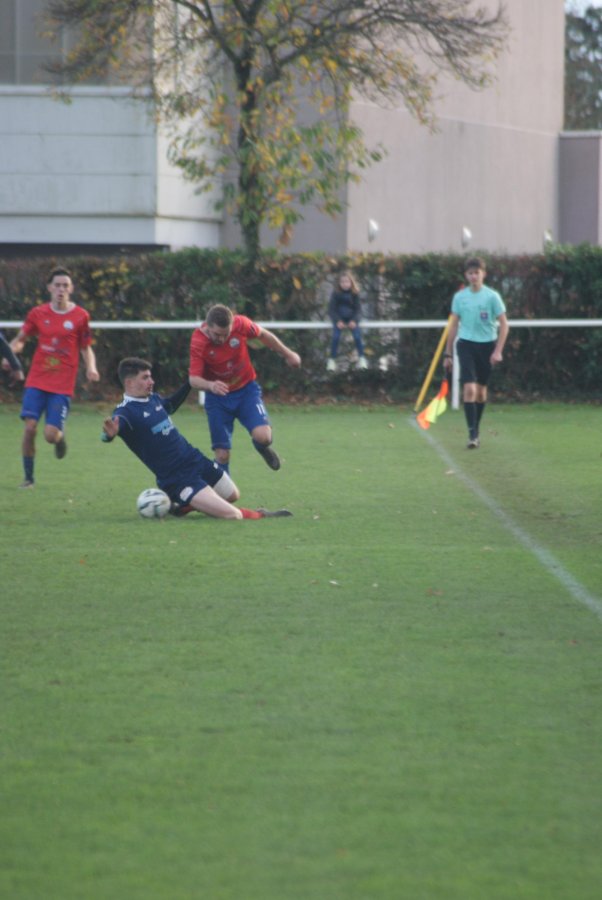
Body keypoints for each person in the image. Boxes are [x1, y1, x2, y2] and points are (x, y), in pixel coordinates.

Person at [102, 357, 292, 520]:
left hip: (193, 458)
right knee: (233, 515)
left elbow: (169, 406)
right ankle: (261, 514)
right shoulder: (125, 412)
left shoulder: (152, 398)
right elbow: (114, 429)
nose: (151, 381)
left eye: (150, 376)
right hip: (177, 477)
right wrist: (108, 436)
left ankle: (183, 506)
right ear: (129, 383)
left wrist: (189, 384)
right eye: (145, 378)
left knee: (232, 495)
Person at [9, 267, 100, 487]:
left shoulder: (80, 316)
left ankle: (59, 438)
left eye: (65, 285)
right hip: (37, 380)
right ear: (49, 288)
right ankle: (28, 479)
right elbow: (20, 339)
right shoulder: (38, 313)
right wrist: (10, 353)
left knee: (50, 435)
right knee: (30, 428)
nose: (61, 289)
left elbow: (86, 348)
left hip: (62, 385)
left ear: (71, 288)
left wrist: (91, 367)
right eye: (57, 285)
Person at [188, 304, 301, 474]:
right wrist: (210, 385)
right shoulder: (198, 341)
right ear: (207, 327)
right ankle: (223, 491)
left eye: (226, 334)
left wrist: (288, 354)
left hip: (246, 391)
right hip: (218, 399)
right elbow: (193, 379)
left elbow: (263, 335)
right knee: (222, 455)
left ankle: (261, 448)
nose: (222, 339)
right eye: (217, 335)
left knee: (264, 437)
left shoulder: (241, 324)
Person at [443, 257, 509, 449]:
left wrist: (498, 351)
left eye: (476, 273)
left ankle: (476, 429)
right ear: (466, 275)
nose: (473, 276)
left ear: (483, 274)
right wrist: (448, 353)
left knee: (480, 392)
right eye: (470, 273)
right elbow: (453, 325)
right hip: (466, 345)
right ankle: (472, 434)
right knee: (470, 389)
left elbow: (504, 325)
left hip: (487, 346)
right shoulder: (460, 297)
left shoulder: (492, 296)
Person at [327, 271, 367, 372]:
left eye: (347, 281)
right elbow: (331, 310)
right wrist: (337, 321)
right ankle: (332, 360)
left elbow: (358, 310)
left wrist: (354, 320)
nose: (345, 284)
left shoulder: (355, 294)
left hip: (352, 319)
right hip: (339, 319)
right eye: (342, 282)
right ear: (339, 283)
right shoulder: (336, 294)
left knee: (357, 337)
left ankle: (362, 359)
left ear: (351, 282)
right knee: (335, 338)